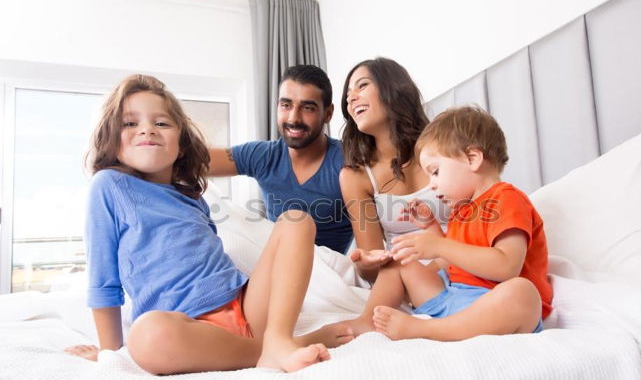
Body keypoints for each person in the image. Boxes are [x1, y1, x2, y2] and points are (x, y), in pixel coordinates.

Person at [65, 74, 352, 375]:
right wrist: (109, 353)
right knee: (146, 336)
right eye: (130, 123)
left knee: (297, 220)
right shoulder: (109, 186)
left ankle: (278, 340)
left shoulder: (190, 194)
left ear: (181, 141)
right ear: (111, 136)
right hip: (188, 327)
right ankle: (279, 348)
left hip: (245, 307)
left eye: (161, 123)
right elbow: (103, 281)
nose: (147, 129)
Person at [345, 105, 552, 341]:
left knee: (522, 292)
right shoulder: (461, 210)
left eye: (435, 172)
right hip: (455, 298)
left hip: (493, 307)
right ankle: (368, 321)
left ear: (472, 159)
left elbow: (507, 267)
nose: (431, 184)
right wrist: (430, 231)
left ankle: (424, 330)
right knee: (399, 263)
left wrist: (438, 246)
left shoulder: (506, 198)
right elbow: (452, 261)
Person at [208, 65, 353, 254]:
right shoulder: (263, 155)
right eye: (286, 105)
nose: (293, 118)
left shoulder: (349, 159)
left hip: (327, 272)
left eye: (307, 108)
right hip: (275, 263)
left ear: (328, 113)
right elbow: (195, 162)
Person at [340, 57, 450, 286]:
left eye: (362, 85)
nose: (350, 98)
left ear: (393, 89)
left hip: (464, 265)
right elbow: (373, 273)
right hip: (409, 283)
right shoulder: (355, 177)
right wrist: (366, 264)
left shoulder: (444, 146)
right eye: (348, 93)